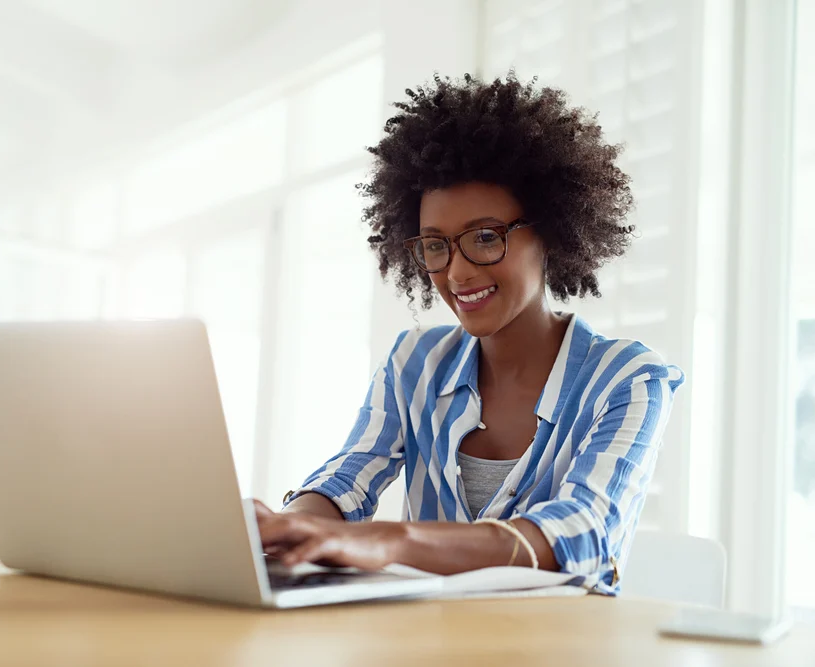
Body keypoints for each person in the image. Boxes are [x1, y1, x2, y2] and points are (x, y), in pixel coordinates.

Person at [253, 73, 685, 593]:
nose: (456, 273)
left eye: (485, 237)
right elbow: (349, 479)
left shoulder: (629, 380)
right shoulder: (415, 362)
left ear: (549, 229)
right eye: (436, 245)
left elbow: (585, 532)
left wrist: (393, 541)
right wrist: (289, 525)